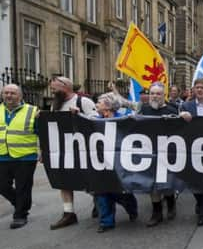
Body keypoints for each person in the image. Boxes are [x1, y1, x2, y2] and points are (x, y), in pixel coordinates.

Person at [48, 76, 98, 230]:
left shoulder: (84, 102)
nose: (53, 92)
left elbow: (98, 121)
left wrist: (80, 115)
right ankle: (68, 213)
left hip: (85, 149)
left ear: (66, 86)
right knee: (63, 179)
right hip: (64, 149)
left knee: (90, 179)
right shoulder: (55, 105)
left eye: (55, 89)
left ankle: (99, 202)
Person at [137, 82, 186, 227]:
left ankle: (171, 204)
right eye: (152, 93)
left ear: (164, 95)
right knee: (152, 184)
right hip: (150, 152)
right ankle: (156, 212)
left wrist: (183, 116)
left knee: (167, 182)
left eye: (158, 94)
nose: (155, 96)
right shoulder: (144, 110)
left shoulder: (173, 109)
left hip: (168, 152)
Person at [93, 93, 138, 233]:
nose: (96, 105)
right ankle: (106, 222)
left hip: (119, 163)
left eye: (99, 102)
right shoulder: (93, 120)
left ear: (107, 106)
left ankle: (132, 209)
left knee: (121, 192)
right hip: (100, 163)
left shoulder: (123, 119)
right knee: (101, 191)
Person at [178, 78, 203, 227]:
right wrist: (181, 117)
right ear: (194, 90)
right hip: (191, 149)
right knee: (193, 180)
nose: (199, 90)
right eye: (197, 87)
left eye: (202, 87)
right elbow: (177, 126)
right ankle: (199, 201)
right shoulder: (185, 105)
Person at [0, 84, 39, 229]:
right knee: (2, 185)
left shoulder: (32, 111)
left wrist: (44, 152)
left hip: (25, 157)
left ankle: (20, 215)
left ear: (20, 96)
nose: (9, 96)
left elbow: (42, 133)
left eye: (12, 93)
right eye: (6, 93)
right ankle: (20, 203)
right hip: (2, 155)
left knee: (23, 187)